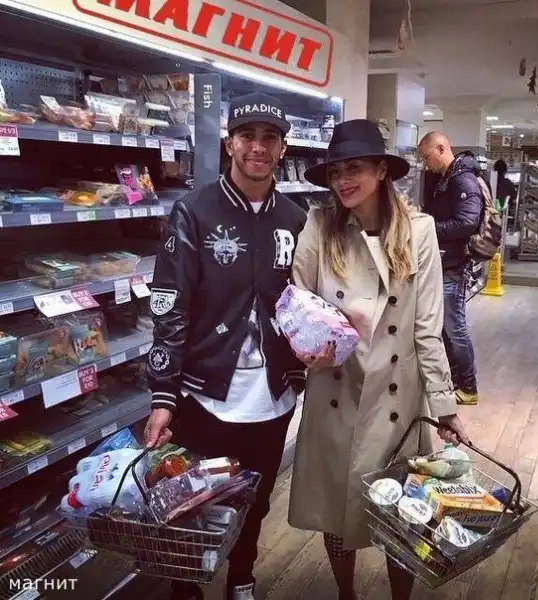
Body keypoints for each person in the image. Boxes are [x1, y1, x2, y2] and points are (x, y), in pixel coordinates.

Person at [287, 119, 468, 600]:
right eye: (336, 171)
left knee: (401, 513)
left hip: (396, 398)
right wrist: (307, 347)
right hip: (336, 387)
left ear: (381, 170)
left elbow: (427, 326)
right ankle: (345, 594)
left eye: (355, 168)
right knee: (335, 511)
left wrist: (444, 406)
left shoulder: (419, 231)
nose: (343, 180)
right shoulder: (319, 226)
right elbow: (299, 302)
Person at [143, 92, 308, 600]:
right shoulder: (193, 211)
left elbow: (307, 303)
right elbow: (170, 306)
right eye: (248, 136)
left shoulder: (297, 218)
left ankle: (242, 579)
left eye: (270, 138)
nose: (258, 147)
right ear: (229, 143)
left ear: (282, 149)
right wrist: (164, 394)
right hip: (205, 392)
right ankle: (186, 587)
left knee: (256, 499)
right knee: (190, 501)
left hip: (273, 397)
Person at [418, 131, 483, 405]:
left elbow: (467, 222)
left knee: (455, 329)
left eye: (427, 156)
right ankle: (455, 381)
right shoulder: (445, 178)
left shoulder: (462, 179)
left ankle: (469, 387)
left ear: (442, 148)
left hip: (454, 265)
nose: (425, 163)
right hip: (445, 261)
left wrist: (428, 227)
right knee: (446, 328)